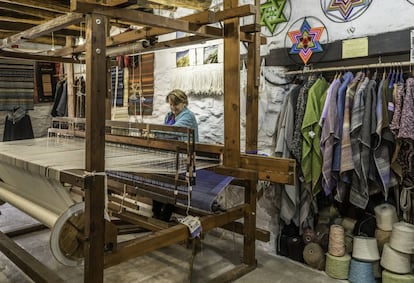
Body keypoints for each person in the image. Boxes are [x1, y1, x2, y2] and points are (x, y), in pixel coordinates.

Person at [152, 89, 199, 221]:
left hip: (185, 157)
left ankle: (164, 216)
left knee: (172, 184)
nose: (173, 108)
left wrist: (152, 132)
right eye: (171, 105)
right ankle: (156, 214)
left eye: (175, 105)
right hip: (171, 155)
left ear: (184, 102)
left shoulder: (188, 116)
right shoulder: (169, 115)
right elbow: (165, 132)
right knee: (158, 180)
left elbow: (172, 131)